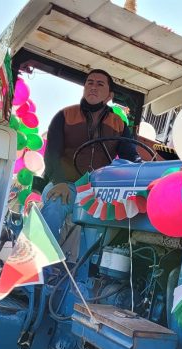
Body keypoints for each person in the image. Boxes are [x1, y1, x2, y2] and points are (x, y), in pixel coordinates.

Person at [40, 69, 140, 235]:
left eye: (100, 84)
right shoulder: (65, 115)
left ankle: (90, 261)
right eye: (90, 83)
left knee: (103, 229)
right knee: (56, 204)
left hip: (99, 191)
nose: (93, 87)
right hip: (66, 183)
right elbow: (51, 154)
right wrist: (59, 181)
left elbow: (130, 156)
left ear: (109, 95)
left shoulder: (118, 124)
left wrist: (144, 169)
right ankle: (41, 258)